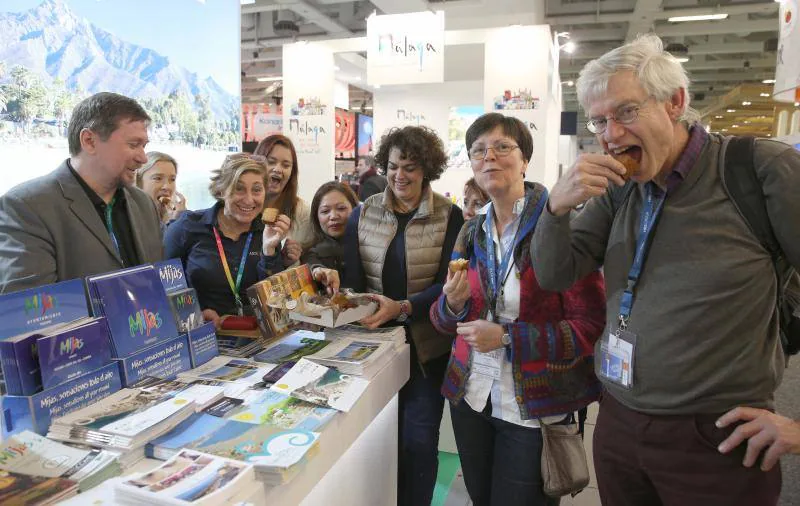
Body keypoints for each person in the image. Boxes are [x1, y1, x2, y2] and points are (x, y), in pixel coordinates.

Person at [530, 34, 800, 506]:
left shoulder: (758, 170)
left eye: (626, 112)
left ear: (675, 102)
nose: (610, 134)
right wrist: (554, 209)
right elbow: (554, 275)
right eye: (599, 120)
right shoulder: (621, 189)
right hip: (618, 421)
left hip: (717, 438)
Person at [430, 113, 606, 506]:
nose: (489, 157)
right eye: (478, 150)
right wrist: (453, 305)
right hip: (471, 398)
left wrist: (509, 338)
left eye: (502, 147)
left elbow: (589, 327)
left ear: (525, 160)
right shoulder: (471, 231)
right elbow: (443, 320)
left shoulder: (562, 225)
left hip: (533, 408)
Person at [342, 126, 464, 506]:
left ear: (427, 168)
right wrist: (354, 302)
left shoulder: (450, 216)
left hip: (426, 350)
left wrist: (404, 307)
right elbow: (352, 279)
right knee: (376, 443)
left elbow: (450, 282)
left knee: (418, 442)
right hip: (374, 347)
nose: (400, 176)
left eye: (410, 167)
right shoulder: (362, 214)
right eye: (393, 166)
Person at [0, 92, 163, 293]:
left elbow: (159, 286)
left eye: (144, 146)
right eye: (133, 145)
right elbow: (31, 313)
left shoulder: (144, 204)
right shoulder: (27, 207)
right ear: (89, 141)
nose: (143, 158)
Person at [163, 154, 289, 328]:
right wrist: (193, 313)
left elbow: (276, 303)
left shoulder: (266, 232)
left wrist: (268, 250)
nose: (249, 199)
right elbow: (161, 287)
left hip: (253, 335)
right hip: (202, 334)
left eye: (257, 190)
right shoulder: (187, 227)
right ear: (222, 190)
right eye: (239, 188)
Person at [253, 134, 314, 266]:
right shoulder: (245, 207)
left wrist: (288, 260)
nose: (278, 169)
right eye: (271, 162)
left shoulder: (302, 211)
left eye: (286, 165)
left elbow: (309, 259)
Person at [301, 181, 359, 274]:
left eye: (341, 208)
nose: (333, 216)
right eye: (325, 211)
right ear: (316, 217)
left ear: (355, 209)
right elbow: (313, 266)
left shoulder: (370, 246)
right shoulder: (311, 255)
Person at [135, 151, 187, 225]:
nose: (167, 187)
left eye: (172, 179)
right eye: (158, 178)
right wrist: (174, 224)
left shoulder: (179, 217)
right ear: (139, 182)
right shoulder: (129, 219)